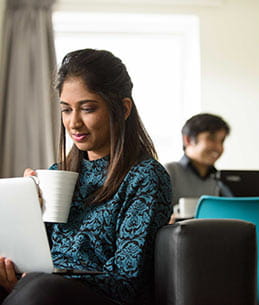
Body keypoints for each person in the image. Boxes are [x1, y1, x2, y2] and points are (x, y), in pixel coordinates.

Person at [0, 49, 172, 305]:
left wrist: (45, 279)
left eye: (87, 109)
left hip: (99, 297)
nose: (73, 123)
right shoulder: (58, 173)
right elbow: (35, 257)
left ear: (123, 109)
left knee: (42, 289)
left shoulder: (145, 177)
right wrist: (26, 214)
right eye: (66, 110)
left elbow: (127, 280)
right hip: (40, 288)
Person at [164, 113, 231, 207]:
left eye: (222, 141)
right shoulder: (169, 171)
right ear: (188, 140)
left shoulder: (220, 180)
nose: (219, 148)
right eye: (211, 139)